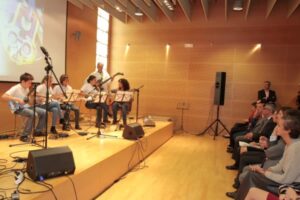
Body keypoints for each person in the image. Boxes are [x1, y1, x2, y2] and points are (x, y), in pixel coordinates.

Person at [234, 109, 300, 200]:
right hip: (284, 182)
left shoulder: (295, 148)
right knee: (252, 174)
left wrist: (265, 173)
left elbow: (286, 179)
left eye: (279, 126)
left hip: (291, 187)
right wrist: (267, 170)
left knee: (251, 176)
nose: (277, 127)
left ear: (288, 130)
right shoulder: (290, 143)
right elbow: (281, 165)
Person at [1, 73, 46, 142]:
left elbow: (27, 102)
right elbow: (3, 96)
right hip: (17, 108)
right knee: (33, 114)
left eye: (31, 83)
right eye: (29, 83)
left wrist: (31, 98)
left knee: (43, 112)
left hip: (26, 107)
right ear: (23, 81)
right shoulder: (16, 88)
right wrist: (17, 99)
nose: (30, 85)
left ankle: (37, 131)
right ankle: (24, 136)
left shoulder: (27, 88)